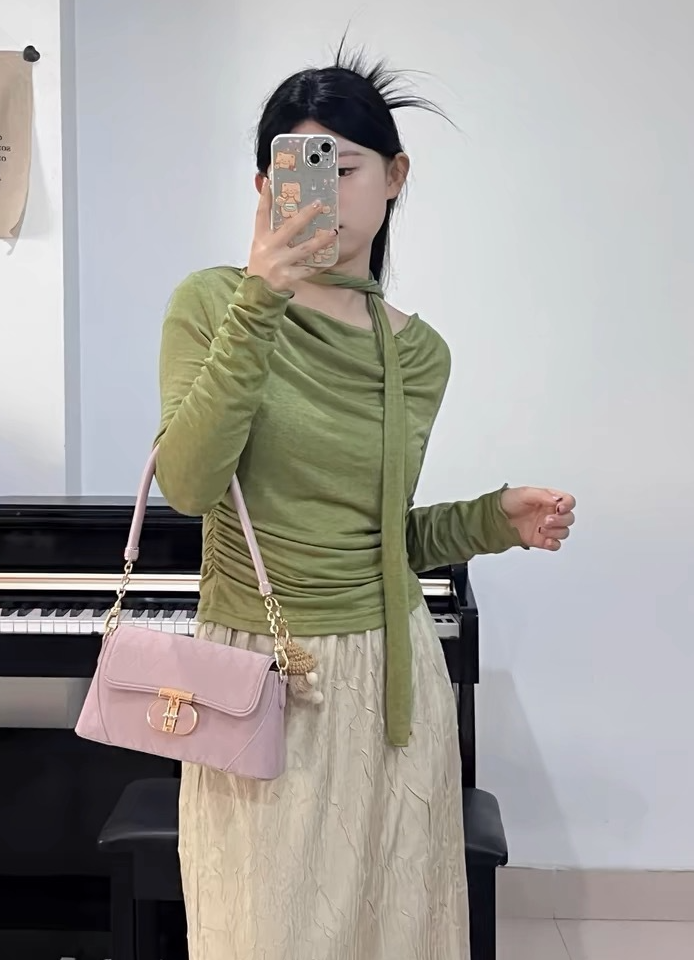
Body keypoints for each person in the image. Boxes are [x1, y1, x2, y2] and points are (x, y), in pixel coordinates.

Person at [153, 45, 576, 960]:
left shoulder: (419, 354)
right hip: (258, 678)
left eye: (345, 168)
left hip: (389, 683)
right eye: (301, 169)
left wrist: (491, 520)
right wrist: (262, 299)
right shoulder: (214, 304)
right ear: (264, 187)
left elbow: (384, 539)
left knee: (390, 932)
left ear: (395, 177)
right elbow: (187, 484)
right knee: (261, 935)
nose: (327, 192)